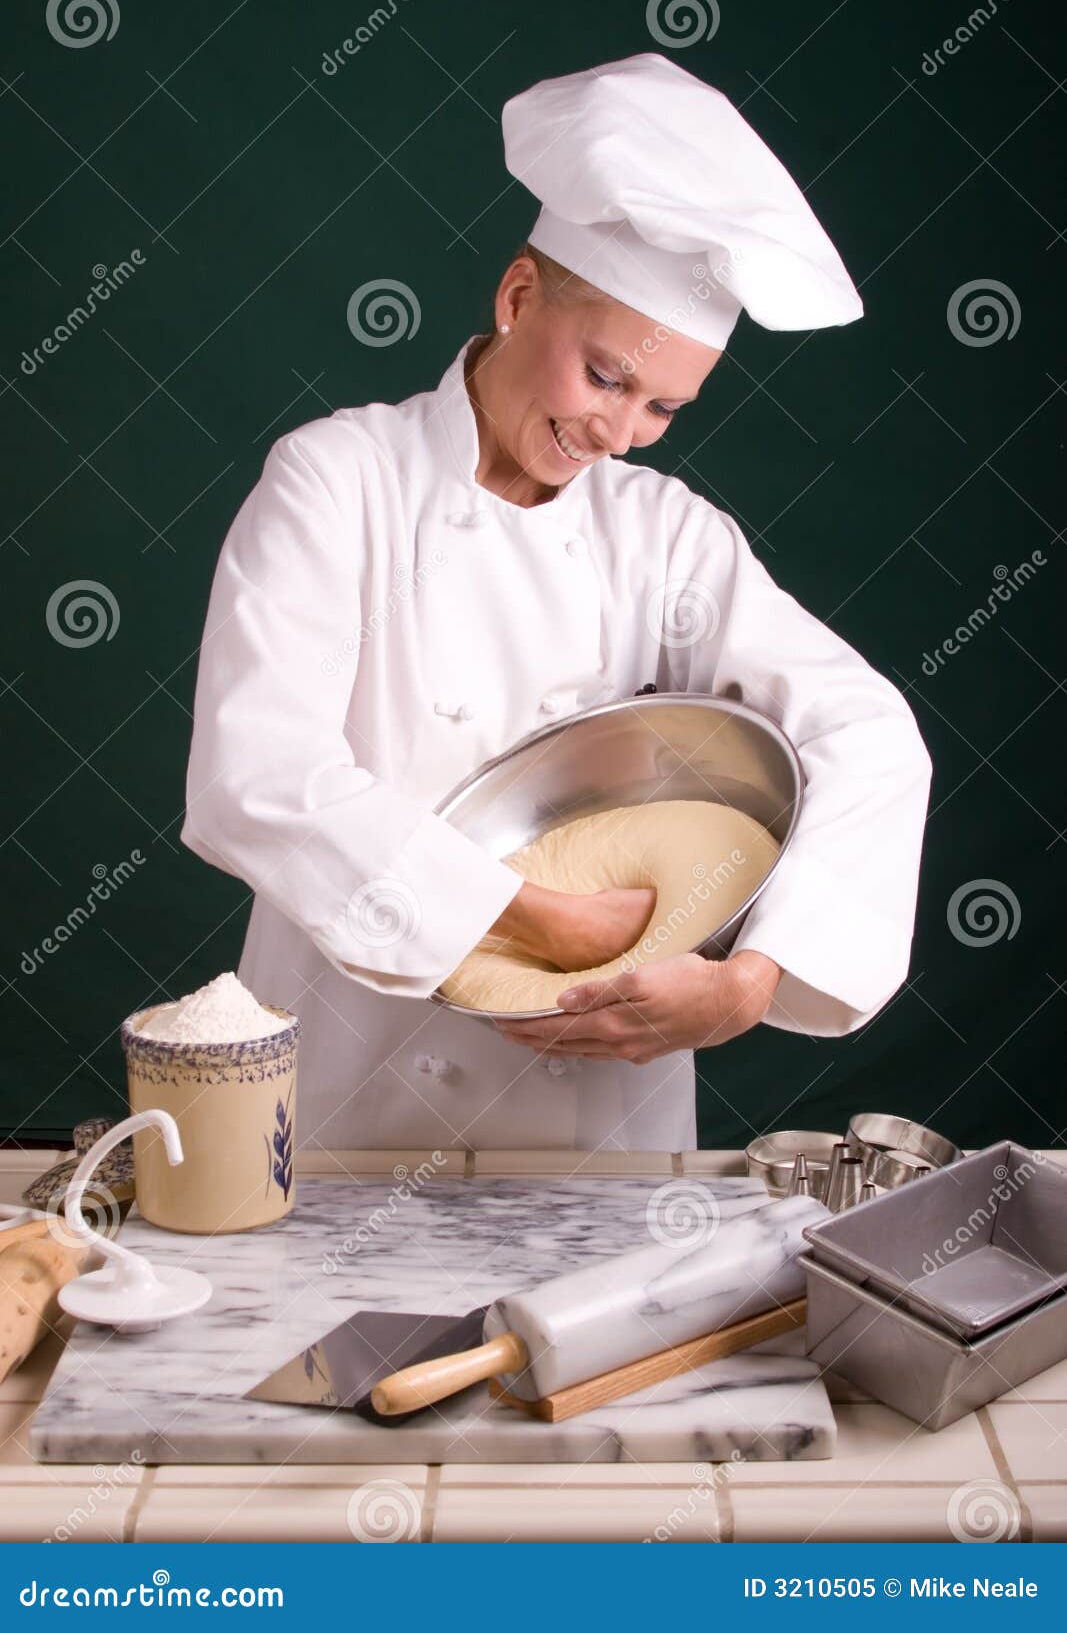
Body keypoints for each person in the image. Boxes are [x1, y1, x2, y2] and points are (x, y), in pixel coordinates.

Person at [180, 55, 932, 1154]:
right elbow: (255, 775)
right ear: (519, 295)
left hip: (593, 1131)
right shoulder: (338, 479)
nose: (618, 430)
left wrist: (748, 980)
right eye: (604, 376)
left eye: (663, 407)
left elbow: (867, 735)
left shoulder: (664, 536)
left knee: (577, 1330)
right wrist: (538, 922)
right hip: (349, 1093)